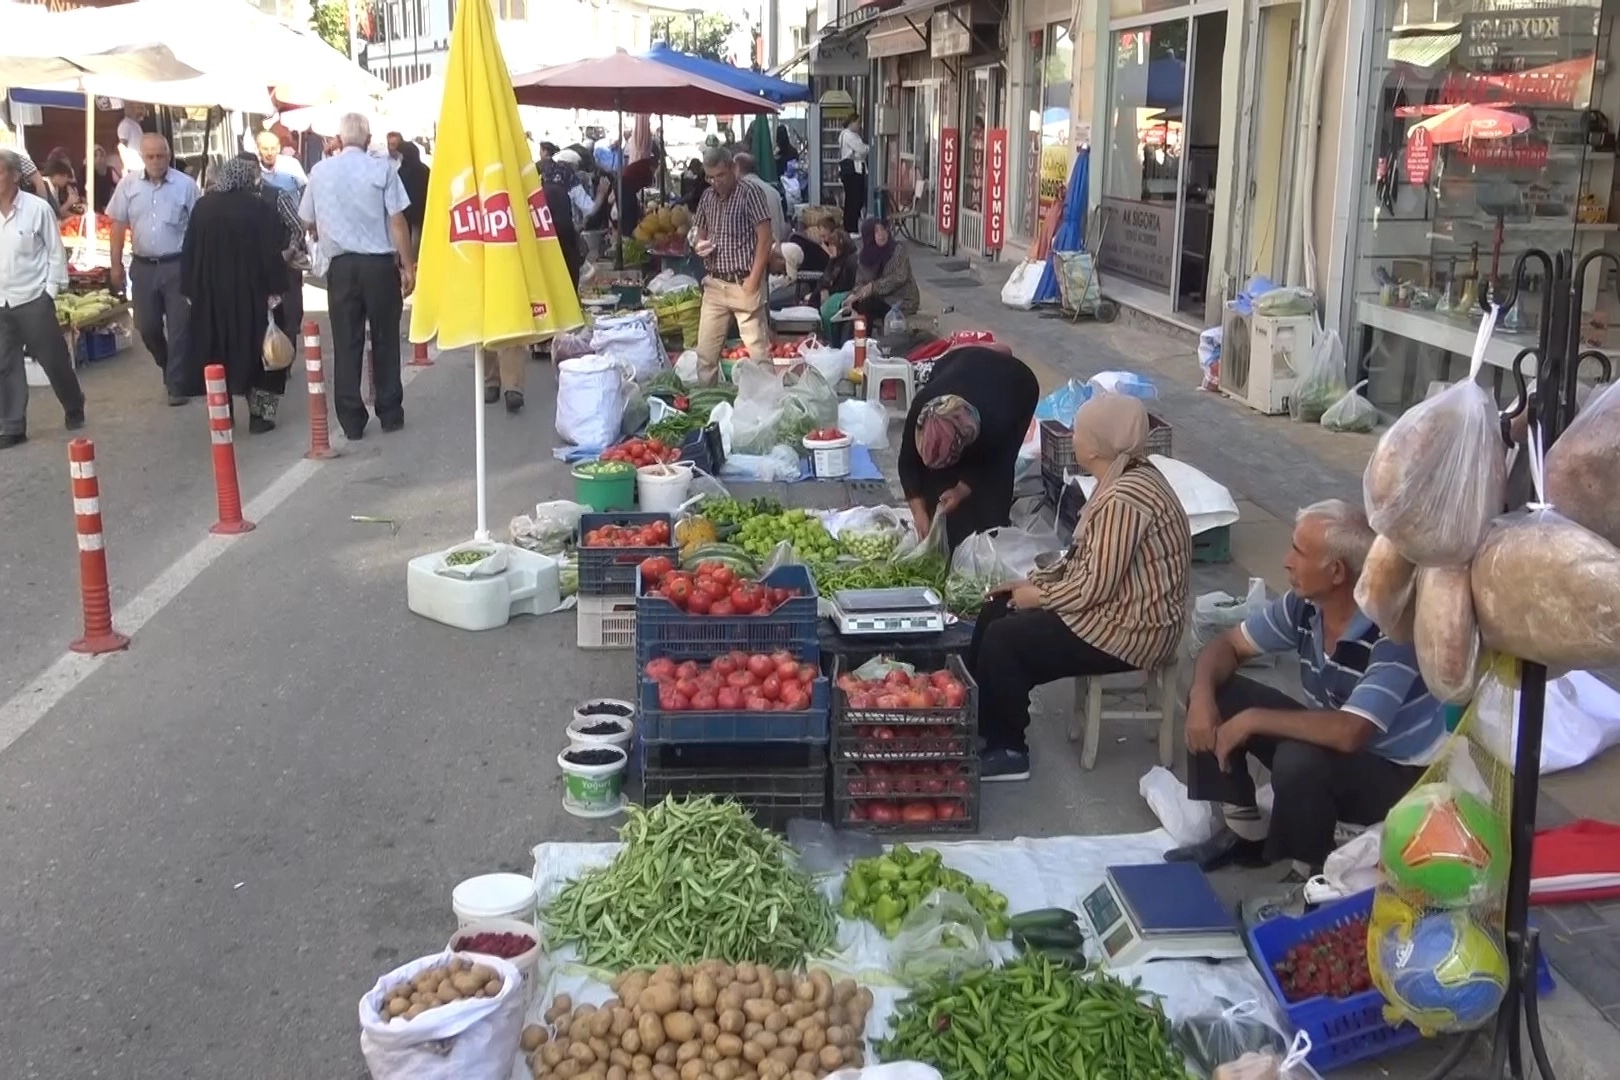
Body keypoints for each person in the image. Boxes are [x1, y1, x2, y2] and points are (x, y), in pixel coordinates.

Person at [1167, 499, 1446, 876]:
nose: (1286, 562)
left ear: (1336, 572)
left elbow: (1350, 732)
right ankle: (1244, 834)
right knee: (1215, 690)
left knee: (1297, 760)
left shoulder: (1392, 632)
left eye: (1299, 552)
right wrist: (1202, 697)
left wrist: (1252, 720)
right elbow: (1228, 645)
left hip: (1396, 776)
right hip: (1337, 740)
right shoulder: (1305, 606)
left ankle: (1308, 869)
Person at [971, 394, 1192, 780]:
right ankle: (977, 720)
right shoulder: (1125, 475)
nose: (1072, 437)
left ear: (1096, 446)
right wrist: (1031, 584)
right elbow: (1083, 561)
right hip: (1118, 608)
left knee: (1006, 640)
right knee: (997, 608)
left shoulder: (1126, 498)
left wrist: (1039, 597)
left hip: (1134, 629)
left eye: (1079, 431)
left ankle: (1009, 749)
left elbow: (1094, 586)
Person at [300, 112, 415, 440]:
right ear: (368, 139)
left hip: (341, 267)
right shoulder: (383, 169)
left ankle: (351, 419)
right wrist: (408, 265)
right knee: (385, 338)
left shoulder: (319, 172)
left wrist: (331, 226)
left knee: (346, 341)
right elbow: (397, 221)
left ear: (339, 139)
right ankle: (389, 411)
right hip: (378, 266)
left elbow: (306, 218)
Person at [898, 343, 1039, 554]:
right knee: (934, 488)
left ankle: (991, 531)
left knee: (992, 486)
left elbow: (994, 460)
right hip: (956, 364)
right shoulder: (923, 407)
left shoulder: (997, 419)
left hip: (1016, 386)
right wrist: (919, 512)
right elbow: (907, 462)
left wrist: (961, 490)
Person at [180, 159, 288, 433]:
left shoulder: (203, 207)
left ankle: (222, 412)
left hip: (211, 296)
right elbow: (271, 253)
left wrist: (189, 289)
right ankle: (260, 417)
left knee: (216, 352)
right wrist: (276, 289)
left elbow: (189, 250)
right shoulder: (259, 208)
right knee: (262, 355)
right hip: (252, 295)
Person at [0, 148, 85, 447]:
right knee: (5, 364)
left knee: (53, 359)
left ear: (14, 176)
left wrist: (49, 291)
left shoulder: (37, 209)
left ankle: (73, 405)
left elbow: (55, 253)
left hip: (33, 297)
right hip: (1, 300)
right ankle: (12, 425)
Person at [107, 133, 200, 406]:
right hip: (143, 266)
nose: (156, 161)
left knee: (180, 328)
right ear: (143, 157)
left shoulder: (185, 185)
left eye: (161, 156)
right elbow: (117, 225)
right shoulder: (128, 185)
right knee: (146, 327)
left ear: (168, 156)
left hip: (177, 265)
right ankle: (168, 365)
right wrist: (115, 265)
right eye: (151, 156)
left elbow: (199, 225)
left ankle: (176, 385)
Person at [691, 146, 773, 385]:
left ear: (733, 168)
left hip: (743, 281)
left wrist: (754, 280)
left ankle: (770, 398)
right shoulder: (707, 197)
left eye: (721, 175)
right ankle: (708, 401)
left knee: (759, 354)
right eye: (711, 178)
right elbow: (698, 232)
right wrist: (698, 244)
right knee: (705, 355)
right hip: (715, 284)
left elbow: (765, 238)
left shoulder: (750, 193)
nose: (716, 182)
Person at [848, 217, 919, 329]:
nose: (881, 234)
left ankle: (864, 337)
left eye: (883, 229)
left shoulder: (897, 250)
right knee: (854, 305)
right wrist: (856, 294)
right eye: (876, 231)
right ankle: (853, 338)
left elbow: (899, 277)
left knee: (866, 305)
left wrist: (873, 287)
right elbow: (860, 282)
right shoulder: (865, 256)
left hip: (901, 300)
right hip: (880, 299)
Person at [816, 228, 858, 342]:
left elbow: (849, 284)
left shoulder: (850, 261)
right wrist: (823, 289)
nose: (829, 248)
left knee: (828, 308)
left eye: (832, 245)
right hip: (834, 294)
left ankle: (832, 341)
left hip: (847, 294)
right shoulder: (834, 260)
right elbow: (824, 279)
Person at [735, 152, 787, 242]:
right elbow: (782, 231)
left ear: (737, 168)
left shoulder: (739, 193)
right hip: (775, 246)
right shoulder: (773, 192)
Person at [396, 142, 430, 260]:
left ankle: (405, 259)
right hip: (421, 209)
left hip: (405, 210)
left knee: (405, 235)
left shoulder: (401, 171)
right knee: (417, 236)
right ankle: (416, 259)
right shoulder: (425, 169)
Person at [838, 115, 869, 233]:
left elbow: (860, 152)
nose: (859, 125)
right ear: (851, 123)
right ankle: (851, 228)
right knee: (854, 200)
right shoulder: (848, 135)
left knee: (854, 199)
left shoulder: (853, 135)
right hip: (852, 172)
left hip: (855, 170)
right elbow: (862, 149)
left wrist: (860, 153)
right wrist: (865, 150)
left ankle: (850, 226)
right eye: (858, 122)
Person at [255, 130, 307, 194]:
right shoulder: (254, 170)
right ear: (258, 149)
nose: (269, 153)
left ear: (278, 148)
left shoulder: (291, 165)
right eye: (265, 149)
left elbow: (306, 190)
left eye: (273, 148)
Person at [84, 145, 118, 213]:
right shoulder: (85, 171)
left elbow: (119, 185)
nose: (99, 159)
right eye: (95, 156)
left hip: (108, 208)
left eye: (101, 156)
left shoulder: (109, 170)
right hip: (90, 208)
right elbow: (82, 192)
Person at [116, 102, 146, 173]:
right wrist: (125, 168)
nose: (141, 111)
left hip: (141, 167)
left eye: (142, 108)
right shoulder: (125, 124)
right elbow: (122, 146)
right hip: (133, 168)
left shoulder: (136, 124)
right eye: (138, 108)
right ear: (130, 109)